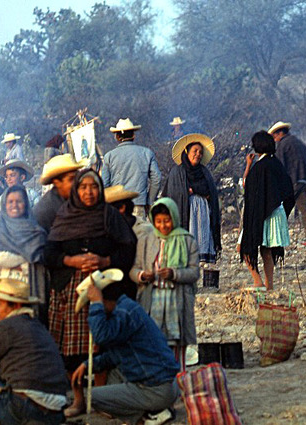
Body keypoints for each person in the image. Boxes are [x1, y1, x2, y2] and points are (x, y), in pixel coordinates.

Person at [43, 169, 136, 417]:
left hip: (104, 287)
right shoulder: (64, 217)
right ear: (76, 191)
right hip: (69, 289)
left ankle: (102, 398)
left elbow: (128, 250)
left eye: (93, 187)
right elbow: (49, 254)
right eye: (83, 187)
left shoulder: (109, 216)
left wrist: (105, 260)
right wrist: (71, 260)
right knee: (72, 350)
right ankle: (79, 399)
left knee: (102, 344)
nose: (88, 192)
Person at [71, 280, 180, 425]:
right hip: (165, 385)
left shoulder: (125, 313)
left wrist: (96, 303)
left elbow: (101, 336)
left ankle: (151, 414)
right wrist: (87, 365)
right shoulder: (126, 308)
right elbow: (115, 356)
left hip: (157, 390)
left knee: (90, 397)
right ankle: (152, 412)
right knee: (113, 376)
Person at [0, 278, 67, 425]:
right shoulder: (37, 325)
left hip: (25, 409)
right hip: (55, 413)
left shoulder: (8, 327)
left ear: (15, 305)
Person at [130, 197, 200, 370]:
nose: (163, 226)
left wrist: (174, 274)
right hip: (152, 299)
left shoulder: (187, 240)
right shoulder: (146, 240)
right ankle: (159, 383)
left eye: (167, 221)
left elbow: (194, 273)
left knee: (177, 342)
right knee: (153, 341)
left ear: (174, 218)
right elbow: (133, 269)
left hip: (177, 301)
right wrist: (142, 276)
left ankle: (178, 380)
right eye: (159, 221)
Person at [0, 185, 49, 332]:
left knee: (28, 330)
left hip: (30, 288)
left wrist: (17, 259)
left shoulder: (36, 231)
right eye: (10, 202)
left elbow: (43, 257)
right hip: (2, 287)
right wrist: (27, 259)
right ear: (4, 204)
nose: (14, 205)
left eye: (19, 201)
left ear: (26, 204)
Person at [240, 131, 295, 290]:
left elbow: (248, 186)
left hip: (261, 214)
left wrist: (248, 165)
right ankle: (269, 285)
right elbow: (288, 191)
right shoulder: (276, 163)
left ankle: (257, 281)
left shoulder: (260, 167)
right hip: (277, 212)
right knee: (267, 251)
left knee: (245, 247)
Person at [162, 134, 221, 264]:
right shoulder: (176, 172)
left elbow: (211, 193)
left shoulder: (204, 172)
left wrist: (194, 191)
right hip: (185, 213)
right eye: (195, 151)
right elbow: (170, 194)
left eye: (200, 152)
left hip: (202, 214)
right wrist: (185, 192)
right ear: (187, 152)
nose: (198, 154)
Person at [268, 121, 306, 246]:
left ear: (280, 133)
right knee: (304, 207)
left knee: (281, 208)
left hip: (293, 180)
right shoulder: (298, 142)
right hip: (303, 179)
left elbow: (279, 166)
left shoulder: (283, 145)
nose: (274, 139)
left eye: (275, 136)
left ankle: (275, 237)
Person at [101, 118, 162, 219]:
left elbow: (105, 185)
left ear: (117, 137)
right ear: (133, 135)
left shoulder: (109, 156)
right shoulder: (147, 153)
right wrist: (149, 201)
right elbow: (157, 179)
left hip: (117, 206)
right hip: (139, 205)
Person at [33, 154, 83, 232]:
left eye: (78, 177)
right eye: (71, 179)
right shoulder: (47, 209)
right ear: (57, 183)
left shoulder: (74, 199)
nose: (77, 183)